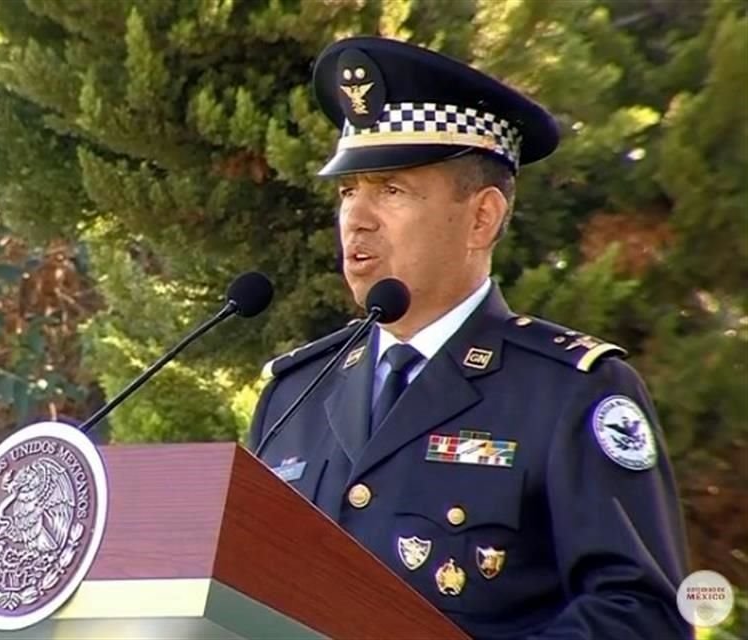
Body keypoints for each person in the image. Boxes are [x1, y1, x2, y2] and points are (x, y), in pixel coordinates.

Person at [248, 36, 691, 639]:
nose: (356, 216)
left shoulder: (570, 392)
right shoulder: (295, 394)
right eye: (349, 191)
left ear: (481, 218)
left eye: (392, 189)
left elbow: (645, 618)